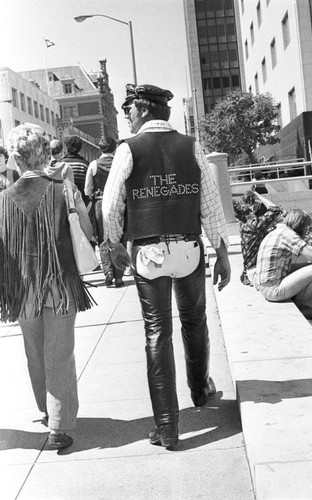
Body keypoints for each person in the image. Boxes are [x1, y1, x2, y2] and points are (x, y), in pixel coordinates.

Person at [102, 83, 231, 449]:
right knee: (194, 320)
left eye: (129, 109)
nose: (125, 114)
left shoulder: (128, 150)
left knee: (157, 333)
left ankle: (167, 427)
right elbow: (210, 203)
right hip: (188, 248)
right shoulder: (191, 146)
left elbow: (110, 206)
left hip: (148, 253)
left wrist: (113, 245)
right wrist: (220, 252)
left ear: (143, 110)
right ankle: (201, 390)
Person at [0, 123, 95, 450]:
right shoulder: (64, 189)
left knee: (35, 353)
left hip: (22, 288)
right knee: (60, 354)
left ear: (15, 159)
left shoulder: (3, 200)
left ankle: (46, 410)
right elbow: (86, 228)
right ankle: (58, 424)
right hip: (60, 284)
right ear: (44, 154)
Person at [254, 209, 312, 319]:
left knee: (308, 264)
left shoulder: (277, 232)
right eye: (306, 227)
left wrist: (308, 265)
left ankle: (303, 303)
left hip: (266, 288)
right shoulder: (288, 234)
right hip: (273, 290)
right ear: (299, 224)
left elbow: (289, 268)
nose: (306, 231)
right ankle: (307, 307)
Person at [85, 137, 124, 287]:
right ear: (114, 148)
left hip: (100, 203)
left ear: (100, 148)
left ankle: (108, 272)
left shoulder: (94, 165)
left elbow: (88, 189)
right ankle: (119, 276)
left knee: (103, 238)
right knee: (118, 237)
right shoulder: (119, 163)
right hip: (118, 202)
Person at [233, 190, 283, 285]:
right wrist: (258, 195)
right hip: (256, 273)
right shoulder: (256, 226)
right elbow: (275, 209)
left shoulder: (245, 225)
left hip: (250, 271)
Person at [62, 136, 89, 205]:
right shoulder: (84, 164)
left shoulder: (61, 164)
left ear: (66, 147)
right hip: (82, 202)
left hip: (65, 202)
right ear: (80, 148)